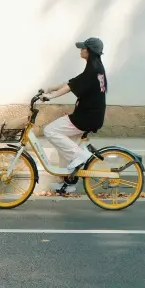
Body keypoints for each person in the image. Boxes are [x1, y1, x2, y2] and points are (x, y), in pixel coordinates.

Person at [42, 37, 107, 194]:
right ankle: (67, 182)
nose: (81, 50)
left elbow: (69, 88)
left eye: (83, 48)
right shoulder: (96, 67)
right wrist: (51, 88)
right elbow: (73, 83)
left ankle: (80, 156)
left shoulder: (92, 70)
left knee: (50, 131)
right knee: (64, 145)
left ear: (89, 51)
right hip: (91, 115)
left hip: (86, 117)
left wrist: (51, 97)